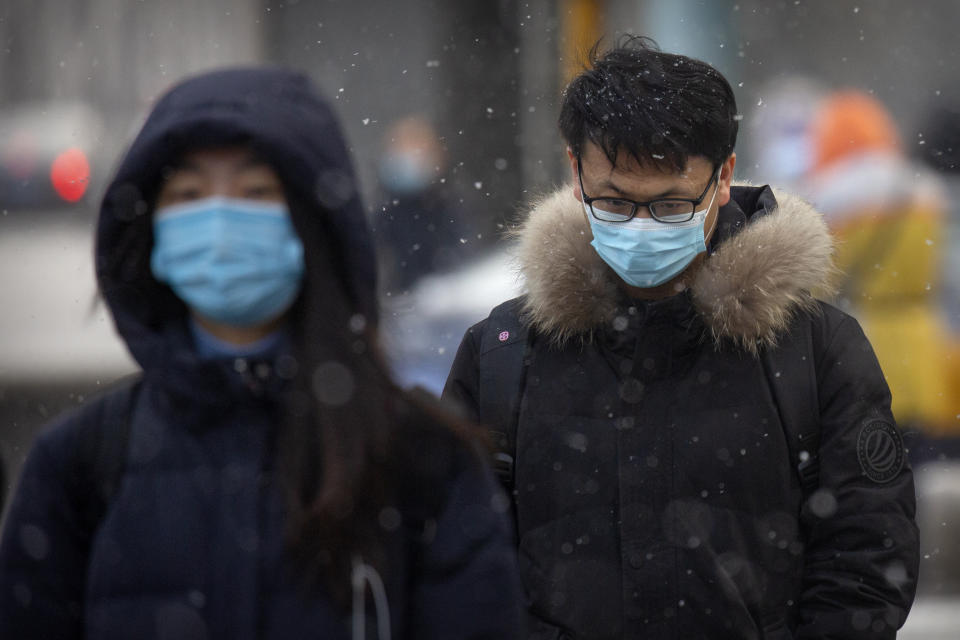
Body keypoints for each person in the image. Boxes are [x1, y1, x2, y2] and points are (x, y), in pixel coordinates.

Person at [0, 67, 524, 639]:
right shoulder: (78, 466)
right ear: (150, 226)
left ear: (311, 221)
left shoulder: (421, 460)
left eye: (255, 191)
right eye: (189, 194)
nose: (221, 221)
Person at [443, 37, 919, 639]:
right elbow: (451, 562)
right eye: (613, 203)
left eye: (670, 206)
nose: (641, 229)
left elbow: (868, 557)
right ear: (574, 173)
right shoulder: (503, 354)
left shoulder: (815, 350)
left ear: (724, 178)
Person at [801, 90, 960, 465]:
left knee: (874, 471)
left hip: (859, 348)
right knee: (924, 470)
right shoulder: (922, 196)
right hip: (924, 351)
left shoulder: (825, 207)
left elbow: (817, 290)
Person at [373, 115, 469, 291]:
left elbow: (463, 261)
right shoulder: (385, 210)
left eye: (416, 151)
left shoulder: (448, 205)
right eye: (400, 150)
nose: (407, 159)